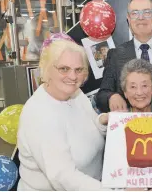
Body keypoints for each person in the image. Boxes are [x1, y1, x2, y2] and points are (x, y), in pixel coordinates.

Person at [17, 36, 108, 190]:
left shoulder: (75, 93)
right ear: (47, 68)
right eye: (64, 69)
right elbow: (63, 177)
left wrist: (103, 121)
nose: (73, 77)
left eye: (78, 69)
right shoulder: (40, 115)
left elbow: (89, 125)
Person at [99, 58, 152, 125]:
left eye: (144, 86)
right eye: (133, 87)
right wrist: (104, 119)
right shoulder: (118, 121)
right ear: (125, 92)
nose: (139, 92)